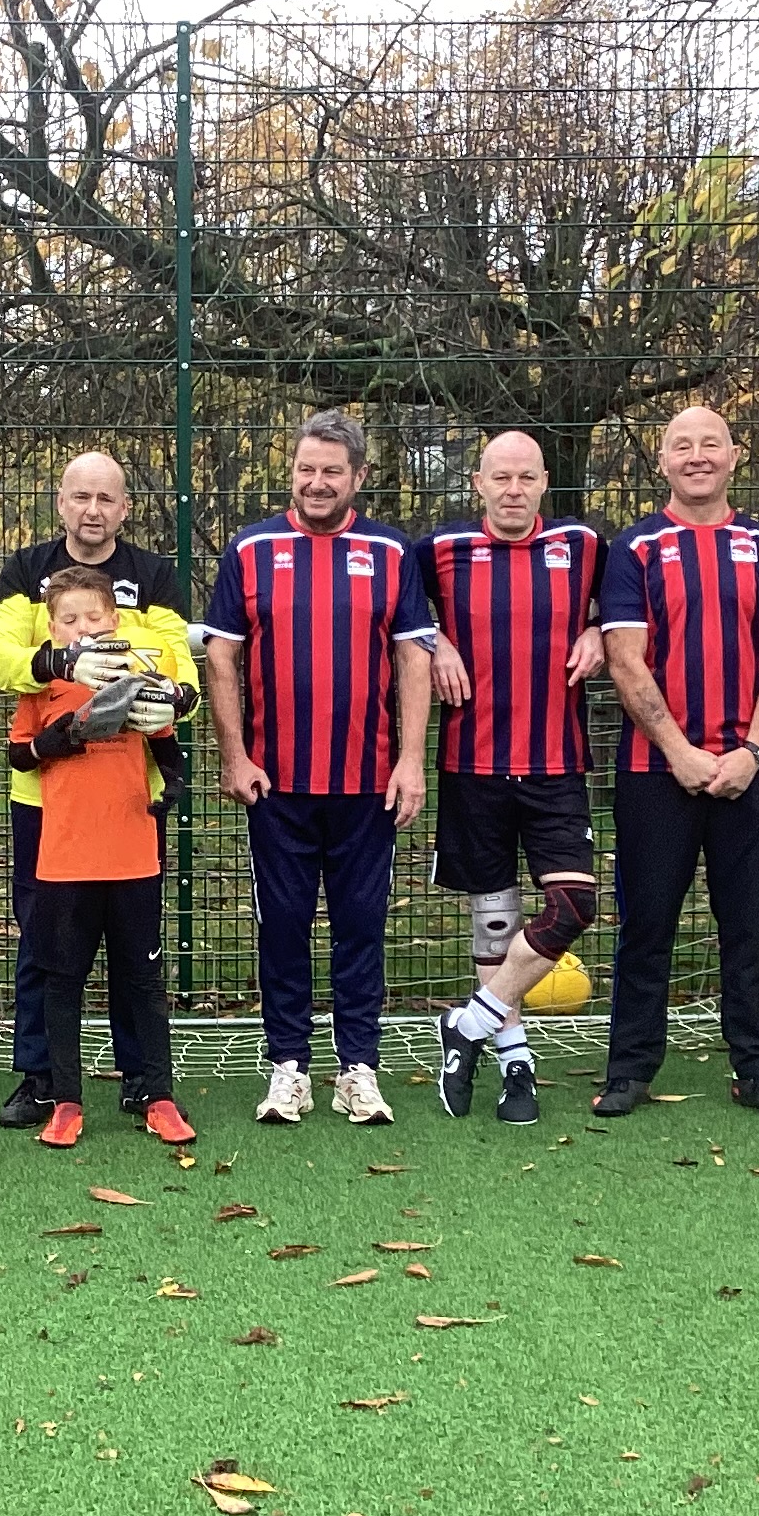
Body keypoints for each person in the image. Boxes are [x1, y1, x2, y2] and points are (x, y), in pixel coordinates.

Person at [205, 405, 435, 1125]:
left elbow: (412, 659)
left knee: (362, 924)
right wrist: (235, 754)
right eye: (306, 469)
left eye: (331, 471)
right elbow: (221, 655)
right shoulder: (250, 550)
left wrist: (411, 761)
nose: (315, 482)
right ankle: (288, 1068)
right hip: (277, 784)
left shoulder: (392, 554)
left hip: (367, 784)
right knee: (283, 925)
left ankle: (359, 1068)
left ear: (357, 477)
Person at [593, 405, 759, 1120]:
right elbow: (625, 660)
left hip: (752, 769)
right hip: (659, 772)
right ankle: (629, 1071)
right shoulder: (634, 549)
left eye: (710, 444)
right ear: (660, 462)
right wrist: (679, 751)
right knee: (645, 925)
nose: (696, 456)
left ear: (734, 456)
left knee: (748, 928)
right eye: (681, 446)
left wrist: (748, 751)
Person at [0, 450, 193, 1129]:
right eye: (80, 497)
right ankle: (42, 1078)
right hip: (45, 802)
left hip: (130, 798)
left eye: (106, 499)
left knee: (136, 951)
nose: (92, 510)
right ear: (61, 503)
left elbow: (173, 659)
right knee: (44, 948)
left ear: (124, 508)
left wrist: (176, 700)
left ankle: (141, 1081)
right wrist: (61, 662)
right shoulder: (24, 571)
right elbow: (3, 661)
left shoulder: (154, 574)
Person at [418, 429, 606, 1124]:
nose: (513, 490)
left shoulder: (582, 546)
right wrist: (433, 640)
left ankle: (467, 1025)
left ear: (544, 482)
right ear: (478, 483)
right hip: (472, 762)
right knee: (493, 920)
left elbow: (619, 614)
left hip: (556, 761)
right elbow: (400, 617)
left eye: (526, 478)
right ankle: (515, 1064)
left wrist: (596, 631)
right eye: (500, 478)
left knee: (573, 907)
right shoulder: (439, 551)